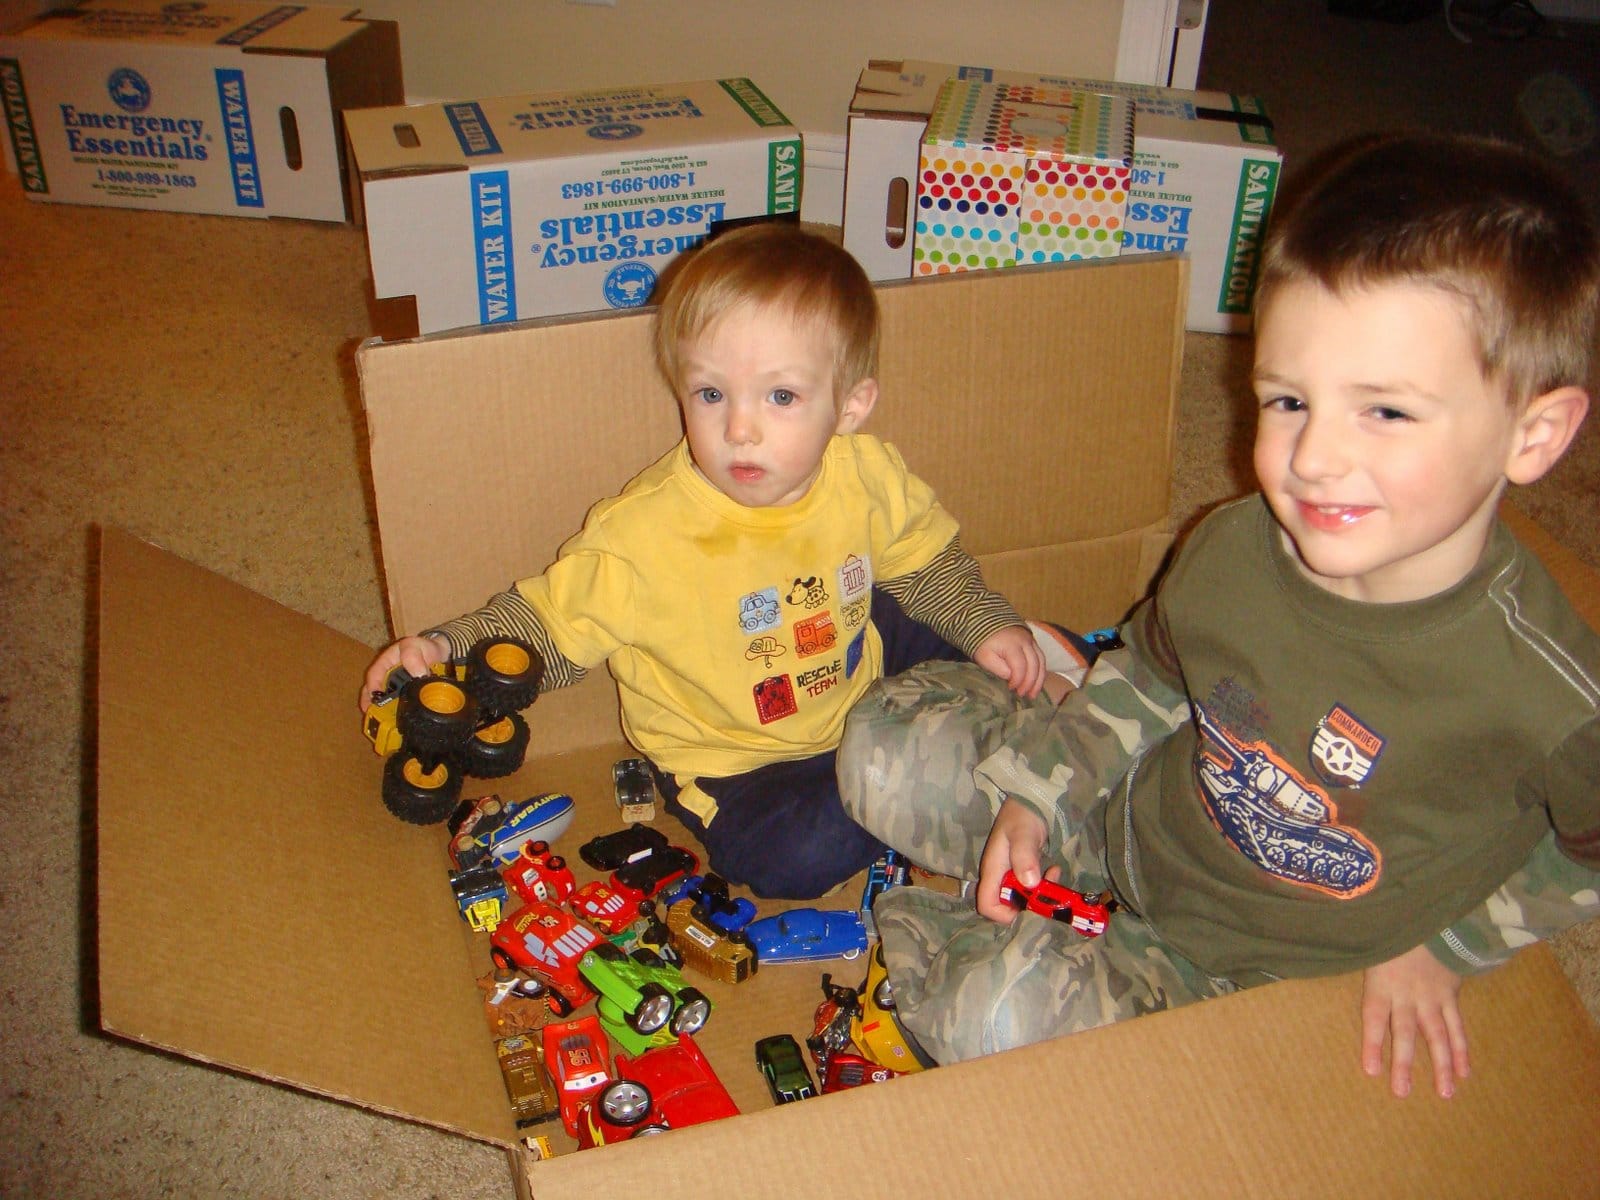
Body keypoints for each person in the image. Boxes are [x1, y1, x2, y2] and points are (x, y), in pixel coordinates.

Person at [837, 130, 1600, 1098]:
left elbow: (1586, 858)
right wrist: (1039, 791)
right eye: (1287, 399)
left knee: (1000, 1018)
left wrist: (1447, 948)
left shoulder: (1545, 688)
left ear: (1533, 433)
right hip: (1134, 815)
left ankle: (952, 936)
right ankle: (1012, 895)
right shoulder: (1240, 540)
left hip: (1238, 969)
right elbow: (1154, 676)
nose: (1312, 457)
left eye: (1386, 412)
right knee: (875, 747)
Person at [360, 221, 1069, 899]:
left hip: (857, 666)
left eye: (781, 397)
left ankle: (1042, 683)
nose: (739, 428)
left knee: (953, 632)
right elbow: (542, 625)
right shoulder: (647, 535)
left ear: (850, 407)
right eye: (710, 394)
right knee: (790, 862)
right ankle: (928, 793)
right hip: (735, 762)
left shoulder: (866, 473)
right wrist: (446, 651)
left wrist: (986, 626)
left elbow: (926, 560)